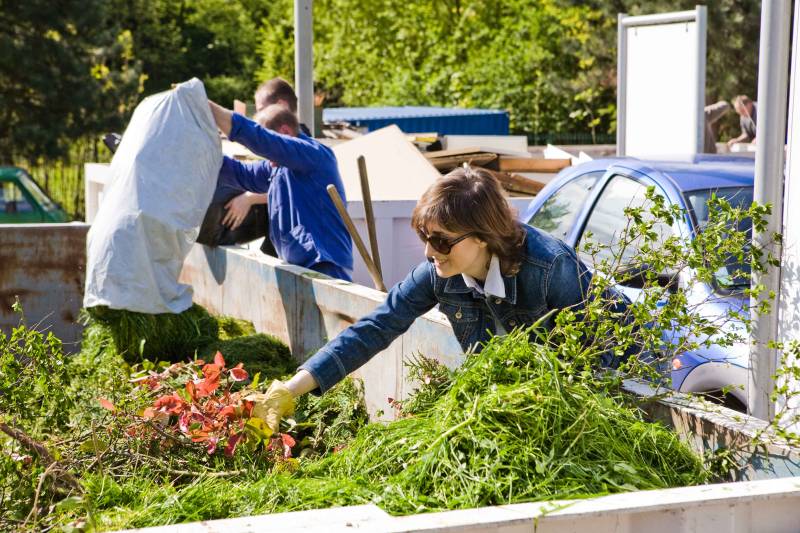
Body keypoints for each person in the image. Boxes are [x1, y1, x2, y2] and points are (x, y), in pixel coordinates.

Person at [250, 165, 601, 433]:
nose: (429, 251)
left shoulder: (550, 268)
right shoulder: (437, 274)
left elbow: (603, 355)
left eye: (441, 240)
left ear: (482, 236)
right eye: (425, 237)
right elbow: (375, 327)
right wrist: (290, 389)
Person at [208, 100, 354, 281]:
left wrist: (207, 107)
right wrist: (202, 152)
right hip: (298, 268)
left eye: (267, 152)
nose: (265, 158)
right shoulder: (276, 167)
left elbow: (263, 140)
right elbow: (241, 174)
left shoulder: (313, 154)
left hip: (323, 268)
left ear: (285, 133)